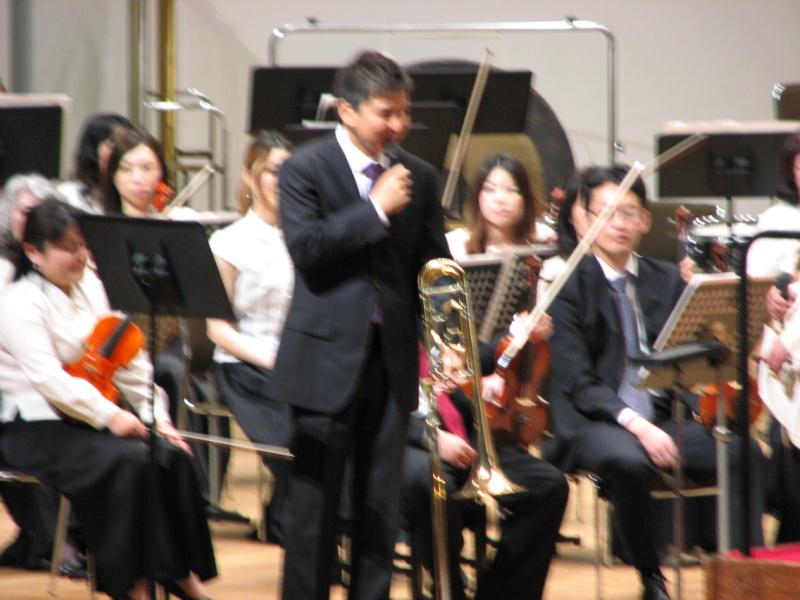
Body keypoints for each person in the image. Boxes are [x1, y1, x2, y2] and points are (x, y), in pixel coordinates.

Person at [273, 49, 451, 600]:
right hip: (323, 362)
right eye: (385, 113)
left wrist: (445, 336)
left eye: (404, 112)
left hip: (390, 362)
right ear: (347, 111)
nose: (399, 125)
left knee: (379, 510)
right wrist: (373, 209)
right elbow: (306, 249)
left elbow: (432, 266)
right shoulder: (304, 168)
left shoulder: (419, 175)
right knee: (314, 513)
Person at [544, 165, 764, 600]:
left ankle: (742, 569)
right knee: (628, 462)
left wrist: (710, 304)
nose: (619, 223)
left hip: (664, 415)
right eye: (606, 213)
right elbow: (579, 383)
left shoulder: (666, 278)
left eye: (629, 213)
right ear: (585, 219)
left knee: (743, 450)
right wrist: (638, 426)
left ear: (645, 220)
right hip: (595, 420)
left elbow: (705, 352)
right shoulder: (567, 285)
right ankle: (652, 579)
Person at [0, 199, 217, 600]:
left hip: (85, 421)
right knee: (127, 462)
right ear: (34, 251)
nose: (80, 256)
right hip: (30, 425)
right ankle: (132, 587)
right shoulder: (17, 302)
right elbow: (49, 379)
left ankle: (180, 575)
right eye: (67, 247)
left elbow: (129, 361)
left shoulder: (93, 286)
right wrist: (112, 416)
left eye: (82, 246)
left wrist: (157, 417)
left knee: (170, 456)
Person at [206, 130, 294, 545]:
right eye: (272, 171)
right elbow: (218, 330)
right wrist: (275, 360)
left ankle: (290, 519)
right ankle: (299, 527)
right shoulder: (228, 242)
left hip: (299, 362)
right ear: (249, 176)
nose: (282, 181)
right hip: (245, 367)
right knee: (302, 444)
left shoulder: (307, 235)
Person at [445, 153, 554, 261]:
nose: (500, 198)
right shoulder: (454, 245)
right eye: (490, 189)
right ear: (477, 196)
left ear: (525, 198)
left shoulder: (544, 237)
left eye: (512, 190)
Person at [58, 113, 134, 214]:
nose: (123, 150)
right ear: (93, 148)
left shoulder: (141, 193)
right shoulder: (69, 196)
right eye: (113, 143)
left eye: (128, 143)